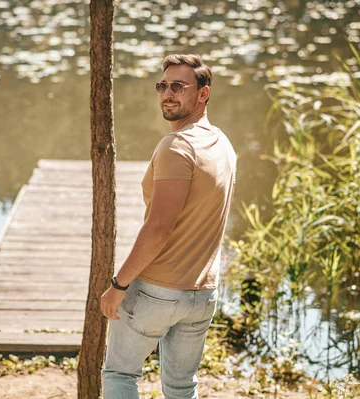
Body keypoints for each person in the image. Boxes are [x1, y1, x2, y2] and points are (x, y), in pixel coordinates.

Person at [100, 54, 237, 399]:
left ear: (204, 94)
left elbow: (158, 228)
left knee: (119, 374)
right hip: (202, 293)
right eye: (162, 85)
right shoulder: (222, 144)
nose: (167, 93)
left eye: (179, 86)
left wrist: (119, 284)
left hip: (157, 291)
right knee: (181, 387)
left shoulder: (177, 147)